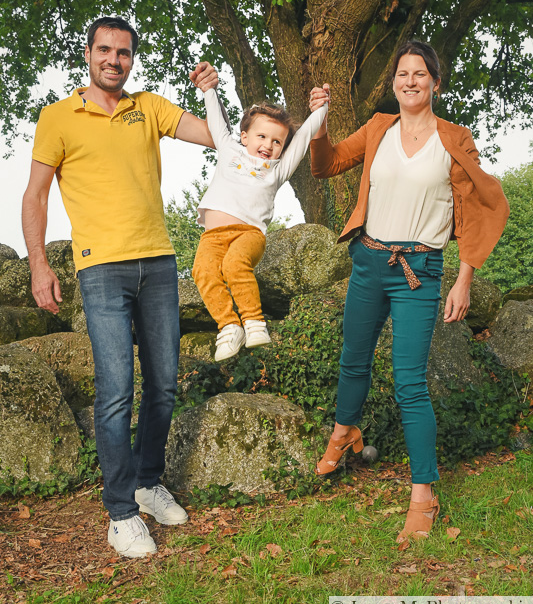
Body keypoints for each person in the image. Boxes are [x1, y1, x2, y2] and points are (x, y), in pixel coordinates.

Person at [22, 16, 218, 558]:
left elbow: (215, 137)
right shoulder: (58, 117)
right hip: (100, 269)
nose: (114, 60)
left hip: (158, 263)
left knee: (164, 385)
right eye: (105, 50)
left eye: (124, 53)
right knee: (115, 393)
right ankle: (120, 512)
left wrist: (212, 95)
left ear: (133, 59)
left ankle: (147, 482)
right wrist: (40, 265)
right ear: (88, 54)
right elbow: (35, 195)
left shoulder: (149, 107)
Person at [308, 41, 509, 543]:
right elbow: (326, 164)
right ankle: (345, 430)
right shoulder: (378, 127)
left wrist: (464, 277)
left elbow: (471, 210)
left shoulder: (454, 140)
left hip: (419, 270)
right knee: (353, 359)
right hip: (368, 261)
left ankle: (424, 491)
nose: (411, 81)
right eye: (403, 73)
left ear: (435, 83)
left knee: (409, 382)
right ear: (394, 82)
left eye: (421, 73)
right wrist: (320, 125)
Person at [190, 81, 328, 361]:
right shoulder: (229, 150)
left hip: (248, 234)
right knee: (202, 271)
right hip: (213, 236)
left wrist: (322, 108)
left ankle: (253, 322)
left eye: (277, 142)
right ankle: (229, 327)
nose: (268, 145)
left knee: (234, 264)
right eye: (262, 137)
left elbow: (302, 139)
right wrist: (208, 90)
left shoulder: (277, 171)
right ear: (244, 137)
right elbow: (216, 121)